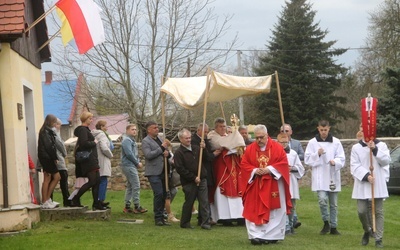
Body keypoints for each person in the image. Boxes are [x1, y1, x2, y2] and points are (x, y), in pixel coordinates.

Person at [241, 125, 291, 245]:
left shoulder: (277, 148)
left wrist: (269, 169)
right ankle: (255, 235)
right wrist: (254, 170)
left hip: (273, 183)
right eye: (256, 137)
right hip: (256, 185)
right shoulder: (250, 149)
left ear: (267, 136)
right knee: (253, 207)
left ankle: (272, 235)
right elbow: (244, 164)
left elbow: (283, 163)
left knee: (274, 209)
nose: (258, 140)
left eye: (261, 137)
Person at [350, 130, 390, 248]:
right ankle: (367, 230)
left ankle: (378, 238)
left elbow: (386, 161)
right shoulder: (356, 147)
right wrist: (366, 176)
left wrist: (375, 150)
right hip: (363, 183)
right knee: (362, 211)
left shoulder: (381, 145)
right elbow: (354, 165)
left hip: (377, 183)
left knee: (378, 211)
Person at [304, 120, 345, 235]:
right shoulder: (312, 143)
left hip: (332, 175)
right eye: (321, 130)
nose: (323, 132)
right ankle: (326, 221)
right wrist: (317, 154)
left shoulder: (336, 142)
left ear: (329, 128)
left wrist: (335, 162)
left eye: (325, 130)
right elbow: (307, 159)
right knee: (322, 200)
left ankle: (334, 226)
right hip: (320, 177)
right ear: (318, 129)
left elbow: (342, 158)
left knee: (333, 203)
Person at [208, 117, 245, 226]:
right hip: (221, 168)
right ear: (215, 127)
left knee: (237, 190)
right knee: (221, 192)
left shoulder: (227, 136)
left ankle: (239, 216)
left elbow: (237, 147)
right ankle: (224, 217)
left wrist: (236, 145)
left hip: (234, 167)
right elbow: (221, 145)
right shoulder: (212, 136)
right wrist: (233, 142)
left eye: (224, 126)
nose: (223, 128)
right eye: (220, 126)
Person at [174, 128, 211, 230]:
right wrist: (193, 178)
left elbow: (207, 158)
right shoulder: (179, 153)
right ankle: (185, 222)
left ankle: (205, 222)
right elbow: (180, 169)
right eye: (186, 138)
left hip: (202, 178)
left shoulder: (197, 148)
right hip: (189, 182)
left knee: (204, 201)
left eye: (190, 137)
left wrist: (204, 148)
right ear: (181, 139)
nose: (189, 140)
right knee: (189, 202)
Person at [71, 111, 106, 210]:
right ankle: (75, 198)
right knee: (92, 181)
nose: (92, 120)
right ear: (86, 119)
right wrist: (94, 142)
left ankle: (96, 203)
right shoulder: (83, 130)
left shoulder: (86, 130)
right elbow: (83, 143)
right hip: (88, 160)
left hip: (92, 159)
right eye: (90, 118)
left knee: (97, 181)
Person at [191, 123, 221, 225]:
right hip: (200, 170)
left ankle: (203, 217)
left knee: (205, 196)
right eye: (205, 132)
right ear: (198, 130)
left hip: (207, 170)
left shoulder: (206, 140)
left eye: (207, 132)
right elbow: (204, 157)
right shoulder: (194, 140)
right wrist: (213, 154)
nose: (206, 134)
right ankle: (204, 218)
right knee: (202, 197)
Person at [142, 121, 171, 226]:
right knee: (158, 193)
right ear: (149, 130)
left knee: (164, 194)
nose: (157, 129)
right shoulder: (146, 141)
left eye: (157, 127)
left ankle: (163, 217)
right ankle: (157, 217)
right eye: (154, 128)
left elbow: (165, 151)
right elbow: (148, 155)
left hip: (164, 170)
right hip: (154, 172)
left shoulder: (160, 139)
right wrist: (161, 148)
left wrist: (167, 153)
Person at [277, 132, 305, 235]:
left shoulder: (293, 153)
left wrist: (292, 168)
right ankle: (285, 226)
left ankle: (291, 224)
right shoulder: (276, 153)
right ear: (278, 142)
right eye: (281, 142)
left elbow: (300, 168)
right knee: (283, 205)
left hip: (291, 181)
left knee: (292, 205)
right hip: (281, 181)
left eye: (285, 142)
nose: (284, 144)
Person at [120, 124, 147, 214]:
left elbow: (134, 154)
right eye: (132, 129)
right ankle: (137, 206)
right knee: (136, 185)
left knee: (131, 186)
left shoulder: (132, 140)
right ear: (127, 130)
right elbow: (129, 154)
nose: (134, 131)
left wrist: (138, 161)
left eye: (135, 129)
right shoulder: (126, 140)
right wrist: (137, 162)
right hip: (128, 165)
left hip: (131, 165)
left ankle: (127, 206)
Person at [37, 114, 61, 209]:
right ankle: (45, 200)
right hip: (46, 158)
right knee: (50, 178)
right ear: (50, 121)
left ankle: (47, 199)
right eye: (54, 122)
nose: (55, 124)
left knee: (53, 177)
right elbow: (49, 146)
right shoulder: (45, 132)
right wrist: (55, 158)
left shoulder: (48, 131)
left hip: (47, 157)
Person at [92, 120, 114, 208]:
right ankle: (100, 200)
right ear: (101, 127)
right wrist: (110, 155)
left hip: (97, 159)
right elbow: (104, 148)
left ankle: (98, 200)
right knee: (103, 180)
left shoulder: (95, 134)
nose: (107, 128)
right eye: (105, 126)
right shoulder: (102, 135)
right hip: (103, 160)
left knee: (99, 181)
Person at [53, 118, 70, 207]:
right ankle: (67, 200)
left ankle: (50, 199)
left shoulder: (52, 133)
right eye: (59, 124)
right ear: (56, 124)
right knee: (64, 180)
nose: (60, 126)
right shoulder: (55, 133)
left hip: (56, 159)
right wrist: (64, 153)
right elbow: (60, 144)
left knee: (55, 180)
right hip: (59, 160)